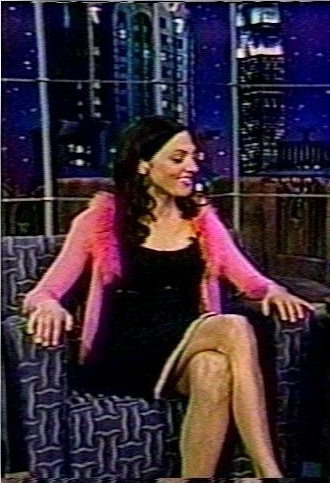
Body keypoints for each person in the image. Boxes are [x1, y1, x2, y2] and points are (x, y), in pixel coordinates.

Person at [23, 115, 315, 478]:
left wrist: (274, 290)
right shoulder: (99, 221)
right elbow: (44, 291)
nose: (191, 167)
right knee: (234, 327)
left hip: (186, 338)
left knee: (212, 369)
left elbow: (249, 279)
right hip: (127, 346)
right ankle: (270, 472)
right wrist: (48, 305)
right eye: (178, 158)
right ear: (143, 164)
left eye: (193, 157)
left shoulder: (201, 219)